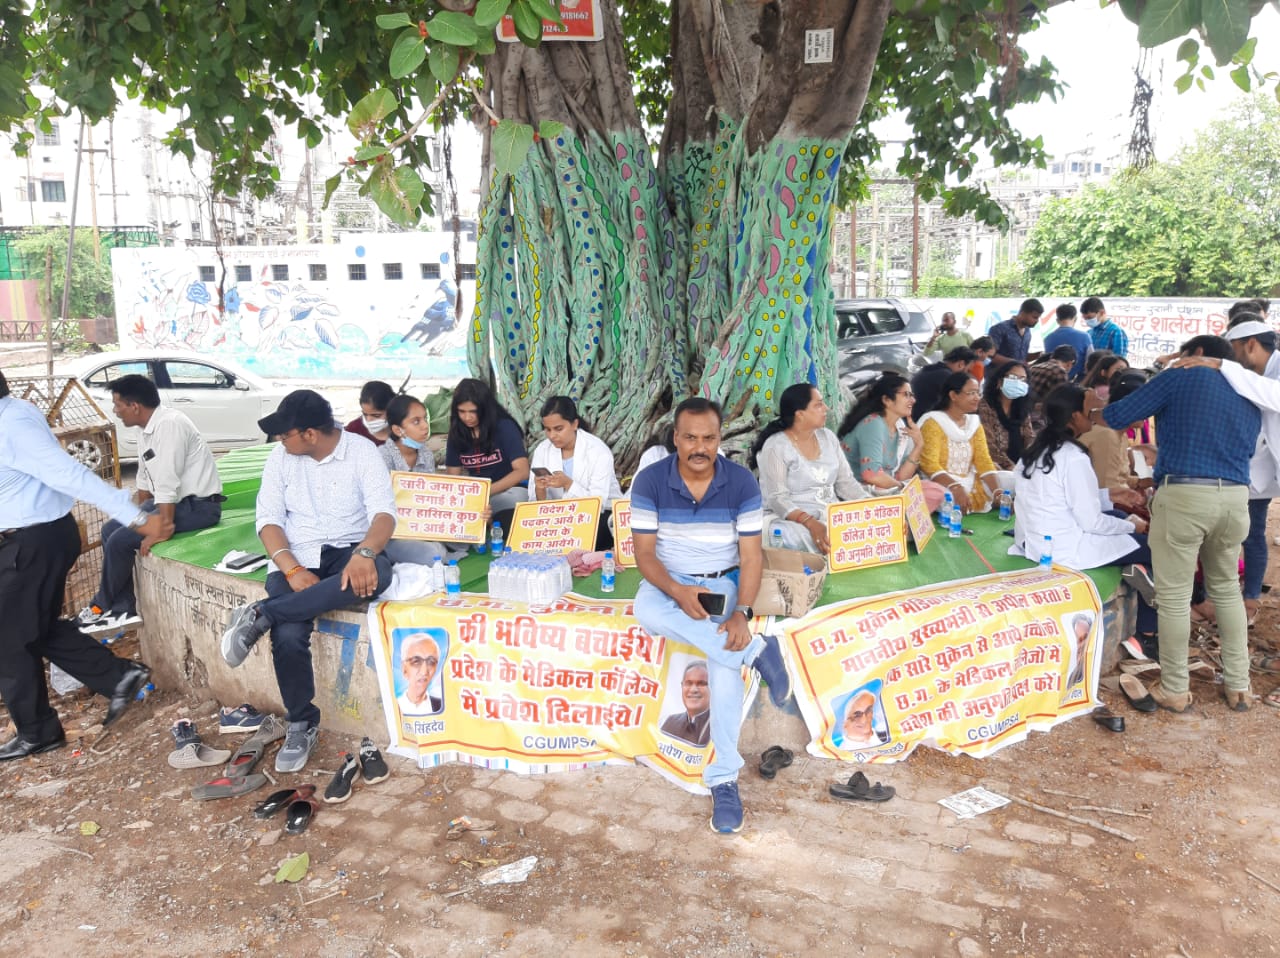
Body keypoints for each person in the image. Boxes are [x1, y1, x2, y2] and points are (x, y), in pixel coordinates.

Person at [630, 397, 791, 834]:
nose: (700, 447)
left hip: (722, 583)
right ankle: (757, 652)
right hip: (668, 579)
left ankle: (723, 779)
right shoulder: (649, 481)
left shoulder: (740, 482)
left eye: (709, 438)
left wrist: (741, 611)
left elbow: (752, 557)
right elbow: (644, 555)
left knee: (722, 668)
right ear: (675, 438)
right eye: (690, 438)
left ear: (720, 439)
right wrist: (678, 591)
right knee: (644, 607)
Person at [221, 389, 396, 773]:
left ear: (311, 434)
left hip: (348, 551)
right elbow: (267, 521)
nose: (281, 441)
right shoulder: (280, 459)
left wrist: (364, 553)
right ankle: (301, 722)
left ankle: (263, 613)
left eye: (287, 434)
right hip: (294, 555)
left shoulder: (363, 452)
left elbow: (383, 514)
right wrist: (293, 570)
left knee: (379, 572)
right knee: (287, 635)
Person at [0, 369, 162, 759]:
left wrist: (134, 516)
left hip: (31, 541)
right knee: (32, 629)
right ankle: (120, 676)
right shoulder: (16, 413)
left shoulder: (13, 423)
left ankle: (38, 731)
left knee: (9, 641)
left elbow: (69, 473)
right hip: (31, 538)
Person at [1097, 336, 1258, 713]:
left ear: (1196, 355)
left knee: (1173, 597)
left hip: (1185, 495)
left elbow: (1116, 416)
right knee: (1227, 591)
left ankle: (1174, 688)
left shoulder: (1180, 376)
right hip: (1235, 497)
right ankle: (1239, 686)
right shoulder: (1249, 386)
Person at [78, 374, 224, 633]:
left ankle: (102, 606)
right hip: (174, 504)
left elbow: (168, 481)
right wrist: (138, 515)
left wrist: (162, 527)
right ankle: (123, 611)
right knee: (111, 529)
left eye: (118, 405)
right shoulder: (146, 429)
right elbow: (145, 482)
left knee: (121, 541)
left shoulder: (170, 424)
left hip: (199, 507)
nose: (116, 411)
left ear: (135, 406)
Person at [1174, 316, 1280, 643]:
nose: (1235, 360)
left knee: (1251, 532)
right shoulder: (1262, 372)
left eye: (1236, 352)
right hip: (1250, 467)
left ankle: (1247, 602)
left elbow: (1272, 396)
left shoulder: (1270, 374)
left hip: (1254, 468)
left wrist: (1219, 364)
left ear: (1250, 345)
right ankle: (1226, 601)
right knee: (1232, 533)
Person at [751, 384, 865, 554]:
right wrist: (811, 524)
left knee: (866, 526)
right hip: (791, 522)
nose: (826, 408)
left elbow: (846, 483)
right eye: (818, 405)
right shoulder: (776, 446)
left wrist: (876, 508)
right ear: (800, 414)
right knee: (797, 536)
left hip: (829, 517)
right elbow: (778, 499)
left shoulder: (828, 437)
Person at [838, 373, 945, 511]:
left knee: (937, 492)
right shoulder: (873, 424)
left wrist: (919, 445)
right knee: (920, 494)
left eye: (912, 395)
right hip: (859, 491)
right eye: (906, 395)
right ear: (887, 400)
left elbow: (901, 476)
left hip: (883, 489)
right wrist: (903, 489)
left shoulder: (900, 427)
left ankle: (898, 513)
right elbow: (872, 475)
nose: (913, 400)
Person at [529, 396, 624, 548]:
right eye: (548, 430)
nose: (552, 436)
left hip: (597, 515)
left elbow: (596, 504)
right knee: (510, 519)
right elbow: (537, 507)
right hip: (557, 518)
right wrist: (540, 490)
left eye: (558, 429)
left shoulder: (598, 451)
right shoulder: (542, 450)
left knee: (596, 532)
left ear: (574, 424)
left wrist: (568, 484)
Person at [378, 393, 455, 567]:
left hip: (420, 526)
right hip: (390, 533)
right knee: (434, 554)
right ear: (398, 430)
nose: (425, 427)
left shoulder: (425, 453)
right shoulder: (382, 457)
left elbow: (429, 496)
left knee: (463, 537)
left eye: (425, 419)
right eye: (416, 421)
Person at [445, 378, 530, 531]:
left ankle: (489, 522)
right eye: (462, 412)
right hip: (475, 498)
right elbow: (453, 479)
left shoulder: (504, 427)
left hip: (507, 491)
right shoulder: (456, 432)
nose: (467, 417)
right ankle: (486, 523)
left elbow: (522, 471)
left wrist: (486, 491)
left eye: (473, 412)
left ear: (485, 408)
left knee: (515, 500)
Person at [918, 373, 1003, 514]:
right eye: (971, 393)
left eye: (978, 393)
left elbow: (983, 460)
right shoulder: (934, 422)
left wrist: (998, 493)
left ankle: (995, 499)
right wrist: (955, 487)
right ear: (953, 395)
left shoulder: (974, 423)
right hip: (941, 483)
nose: (977, 398)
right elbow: (929, 464)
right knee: (943, 498)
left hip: (970, 479)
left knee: (1012, 481)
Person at [977, 361, 1035, 472]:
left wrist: (1029, 463)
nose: (1018, 382)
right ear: (999, 381)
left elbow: (1030, 437)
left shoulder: (1021, 407)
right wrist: (1010, 467)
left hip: (1021, 466)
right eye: (1013, 377)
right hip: (996, 468)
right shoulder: (985, 406)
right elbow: (988, 445)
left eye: (1022, 379)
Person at [910, 346, 977, 417]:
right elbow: (959, 404)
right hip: (921, 420)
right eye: (967, 370)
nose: (966, 374)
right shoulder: (948, 377)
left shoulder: (932, 369)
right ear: (961, 364)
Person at [659, 661, 711, 747]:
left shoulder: (722, 728)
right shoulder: (667, 723)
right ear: (682, 686)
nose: (693, 689)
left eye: (701, 683)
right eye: (688, 683)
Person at [396, 633, 443, 716]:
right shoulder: (394, 706)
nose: (424, 672)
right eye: (416, 662)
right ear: (404, 669)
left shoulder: (441, 706)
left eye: (431, 662)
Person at [1042, 303, 1092, 380]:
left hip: (1054, 382)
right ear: (1075, 319)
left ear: (1057, 320)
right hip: (1078, 382)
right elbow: (1090, 362)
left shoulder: (1048, 339)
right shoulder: (1085, 337)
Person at [988, 298, 1044, 366]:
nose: (1037, 321)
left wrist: (1037, 355)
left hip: (1019, 374)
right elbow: (990, 354)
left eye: (1038, 318)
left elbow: (1021, 357)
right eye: (1034, 317)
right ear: (1022, 313)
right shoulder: (999, 329)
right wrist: (1015, 363)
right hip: (999, 375)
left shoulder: (1027, 331)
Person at [345, 380, 395, 446]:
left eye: (376, 415)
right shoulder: (354, 430)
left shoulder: (404, 429)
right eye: (365, 414)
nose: (368, 420)